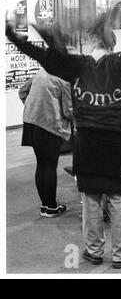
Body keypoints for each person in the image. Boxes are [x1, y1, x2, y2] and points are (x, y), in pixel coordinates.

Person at [6, 11, 121, 269]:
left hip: (86, 144)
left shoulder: (74, 65)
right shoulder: (120, 62)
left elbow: (40, 54)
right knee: (120, 199)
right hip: (117, 145)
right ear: (111, 43)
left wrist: (14, 34)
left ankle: (93, 251)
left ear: (90, 42)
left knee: (90, 199)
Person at [19, 66, 73, 217]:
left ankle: (46, 205)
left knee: (42, 164)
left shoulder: (42, 71)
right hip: (48, 125)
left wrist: (36, 108)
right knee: (50, 165)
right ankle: (51, 207)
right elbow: (69, 110)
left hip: (31, 122)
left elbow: (22, 92)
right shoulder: (64, 78)